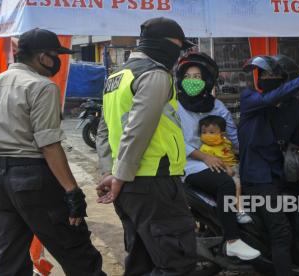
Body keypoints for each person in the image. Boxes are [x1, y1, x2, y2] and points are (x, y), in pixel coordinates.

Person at [0, 28, 105, 276]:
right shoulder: (42, 86)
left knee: (9, 258)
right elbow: (48, 144)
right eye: (56, 55)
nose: (58, 61)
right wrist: (72, 191)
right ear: (42, 56)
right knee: (77, 252)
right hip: (34, 178)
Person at [95, 17, 198, 275]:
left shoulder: (116, 77)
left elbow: (104, 131)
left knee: (142, 261)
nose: (179, 53)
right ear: (162, 44)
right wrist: (118, 174)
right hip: (155, 182)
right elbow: (139, 129)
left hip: (130, 185)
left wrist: (110, 171)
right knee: (177, 261)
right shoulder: (154, 74)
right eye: (178, 46)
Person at [239, 54, 299, 275]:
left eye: (271, 74)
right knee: (280, 232)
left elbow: (296, 137)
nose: (264, 78)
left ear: (284, 78)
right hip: (256, 177)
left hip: (280, 173)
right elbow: (269, 100)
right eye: (262, 74)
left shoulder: (296, 107)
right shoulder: (251, 99)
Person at [177, 52, 260, 260]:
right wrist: (205, 158)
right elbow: (174, 141)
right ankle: (233, 241)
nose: (192, 81)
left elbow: (233, 135)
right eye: (188, 77)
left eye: (197, 77)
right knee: (225, 184)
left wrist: (250, 153)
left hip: (220, 160)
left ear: (206, 80)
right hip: (190, 164)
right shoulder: (173, 106)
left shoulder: (217, 106)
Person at [198, 115, 251, 223]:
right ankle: (240, 212)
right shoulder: (205, 149)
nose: (207, 135)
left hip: (236, 167)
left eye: (211, 132)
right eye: (204, 132)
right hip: (225, 170)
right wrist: (227, 169)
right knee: (237, 186)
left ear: (222, 134)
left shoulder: (226, 142)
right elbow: (214, 163)